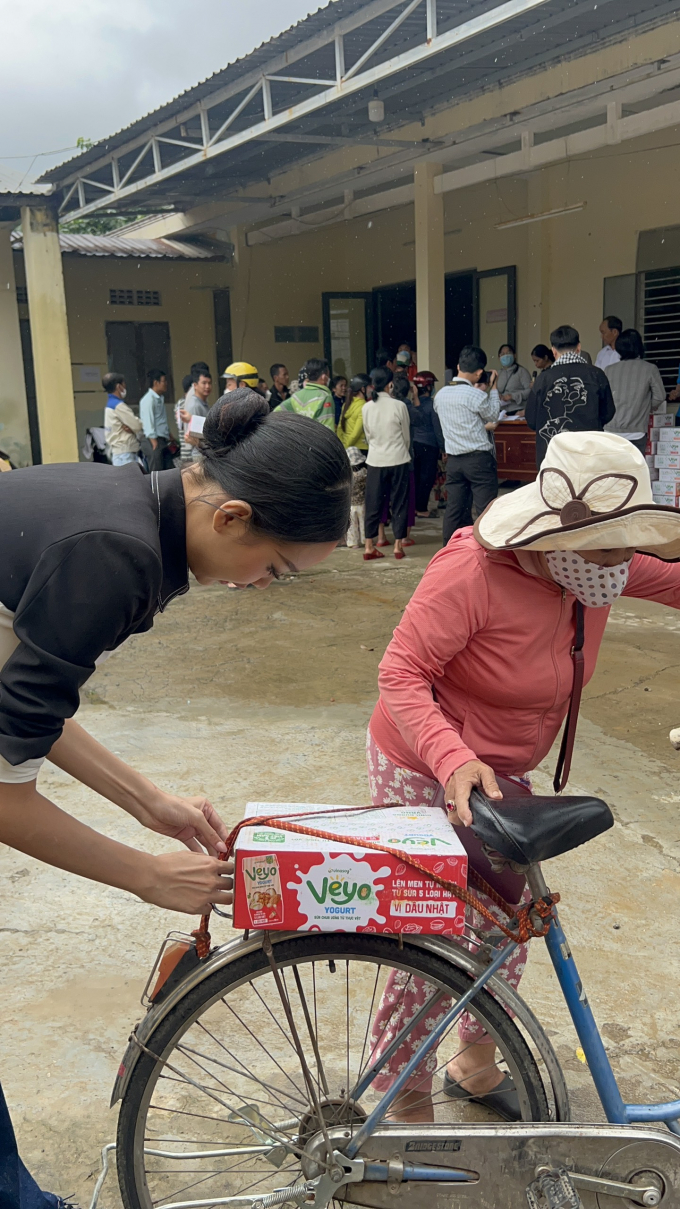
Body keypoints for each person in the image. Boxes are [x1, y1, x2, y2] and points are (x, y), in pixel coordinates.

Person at [0, 391, 351, 1202]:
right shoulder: (114, 553)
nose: (264, 585)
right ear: (230, 517)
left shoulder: (131, 515)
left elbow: (23, 710)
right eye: (277, 567)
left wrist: (144, 799)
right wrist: (142, 873)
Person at [366, 430, 680, 1123]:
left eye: (630, 542)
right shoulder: (472, 573)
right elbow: (400, 672)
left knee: (506, 921)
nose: (623, 560)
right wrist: (452, 757)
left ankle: (474, 1060)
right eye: (608, 544)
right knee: (431, 934)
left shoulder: (596, 568)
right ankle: (402, 1097)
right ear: (554, 536)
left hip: (504, 770)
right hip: (425, 761)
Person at [434, 345, 500, 546]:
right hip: (478, 459)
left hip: (454, 461)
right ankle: (487, 549)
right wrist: (493, 388)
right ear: (480, 373)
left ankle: (449, 549)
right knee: (485, 509)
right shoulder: (475, 395)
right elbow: (493, 415)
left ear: (458, 367)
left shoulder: (440, 395)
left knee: (455, 509)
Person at [525, 325, 615, 467]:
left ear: (553, 351)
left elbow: (531, 420)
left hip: (553, 460)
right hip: (589, 457)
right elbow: (608, 413)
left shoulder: (544, 379)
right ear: (578, 348)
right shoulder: (596, 374)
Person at [362, 368, 411, 561]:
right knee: (399, 501)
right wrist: (403, 450)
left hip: (375, 460)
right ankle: (398, 545)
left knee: (373, 502)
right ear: (390, 384)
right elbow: (406, 436)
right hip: (399, 458)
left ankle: (369, 545)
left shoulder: (366, 408)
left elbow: (368, 436)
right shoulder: (399, 406)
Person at [603, 328, 666, 452]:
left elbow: (603, 398)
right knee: (634, 470)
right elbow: (660, 396)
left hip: (610, 431)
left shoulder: (609, 370)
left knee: (612, 469)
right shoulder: (650, 369)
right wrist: (644, 406)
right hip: (636, 432)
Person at [410, 371, 444, 515]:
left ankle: (417, 507)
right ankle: (421, 508)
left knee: (417, 477)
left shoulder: (412, 404)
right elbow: (437, 429)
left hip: (415, 444)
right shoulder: (432, 405)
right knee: (427, 478)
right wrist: (443, 448)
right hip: (430, 446)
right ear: (429, 387)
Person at [276, 358, 335, 429]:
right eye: (328, 375)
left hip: (300, 439)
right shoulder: (325, 397)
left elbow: (276, 414)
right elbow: (328, 430)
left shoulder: (296, 396)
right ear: (323, 377)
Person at [102, 371, 143, 466]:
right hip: (125, 454)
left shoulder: (110, 405)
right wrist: (133, 428)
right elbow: (137, 425)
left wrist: (132, 428)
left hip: (118, 453)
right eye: (123, 383)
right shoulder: (119, 406)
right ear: (118, 386)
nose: (125, 386)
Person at [139, 369, 174, 471]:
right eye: (164, 381)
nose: (166, 384)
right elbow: (148, 421)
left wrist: (169, 434)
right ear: (156, 383)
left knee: (168, 470)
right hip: (153, 440)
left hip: (162, 439)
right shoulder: (148, 400)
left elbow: (160, 419)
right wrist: (154, 442)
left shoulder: (159, 398)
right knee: (157, 472)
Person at [178, 366, 213, 464]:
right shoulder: (194, 405)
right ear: (195, 385)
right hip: (199, 454)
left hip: (204, 451)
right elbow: (193, 435)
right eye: (204, 383)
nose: (207, 386)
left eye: (209, 383)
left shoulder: (203, 403)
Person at [337, 373, 370, 451]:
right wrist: (346, 446)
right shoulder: (364, 406)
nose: (371, 390)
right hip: (360, 448)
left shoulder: (346, 404)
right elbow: (356, 433)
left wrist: (343, 446)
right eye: (369, 387)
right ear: (363, 389)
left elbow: (339, 428)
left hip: (346, 447)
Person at [497, 343, 532, 413]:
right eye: (503, 354)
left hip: (518, 410)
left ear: (514, 355)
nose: (505, 356)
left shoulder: (522, 371)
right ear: (499, 358)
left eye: (508, 353)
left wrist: (512, 396)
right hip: (502, 411)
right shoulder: (498, 373)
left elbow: (530, 390)